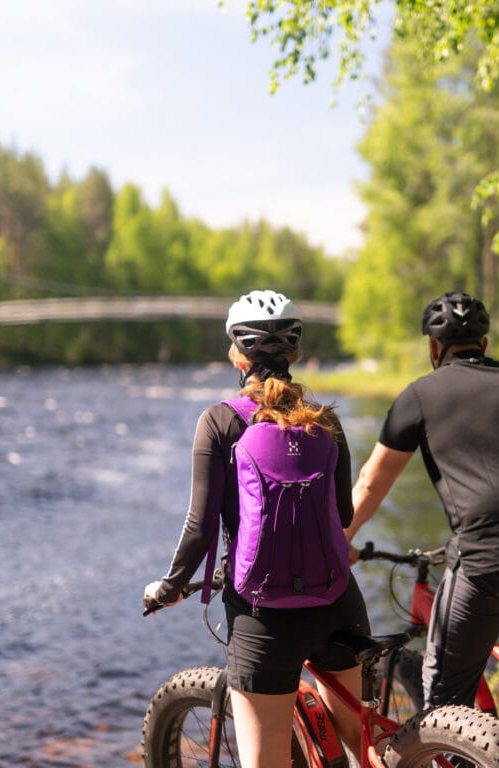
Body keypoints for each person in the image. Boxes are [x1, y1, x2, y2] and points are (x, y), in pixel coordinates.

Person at [144, 290, 369, 768]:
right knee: (365, 748)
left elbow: (200, 527)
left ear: (237, 354)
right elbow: (344, 516)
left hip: (262, 618)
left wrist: (168, 588)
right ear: (294, 353)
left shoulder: (219, 421)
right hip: (337, 604)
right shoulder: (326, 421)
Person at [345, 290, 499, 710]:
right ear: (485, 345)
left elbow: (369, 482)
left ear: (433, 348)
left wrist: (337, 540)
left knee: (445, 695)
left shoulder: (419, 395)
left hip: (488, 553)